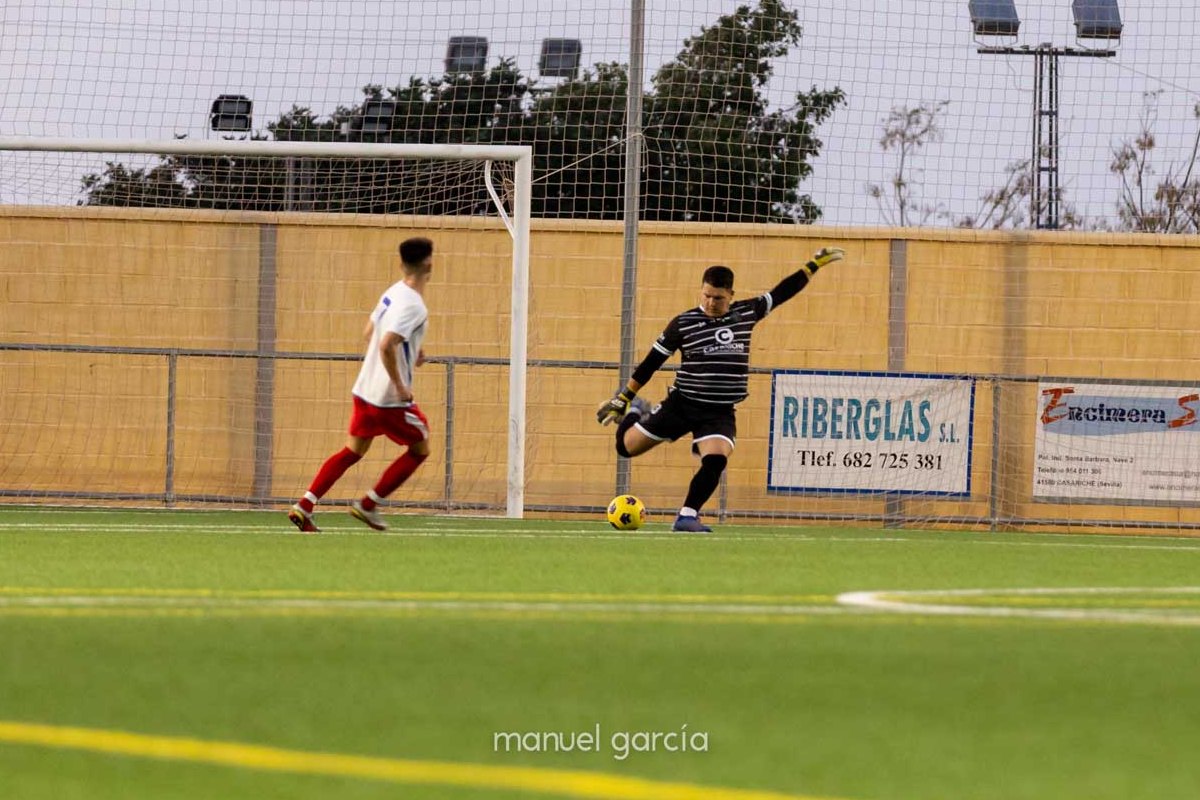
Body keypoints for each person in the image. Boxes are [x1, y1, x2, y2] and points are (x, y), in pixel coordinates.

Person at [596, 246, 846, 533]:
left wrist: (813, 266)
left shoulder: (746, 312)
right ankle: (637, 410)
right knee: (625, 449)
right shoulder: (683, 323)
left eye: (718, 297)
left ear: (731, 295)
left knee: (716, 459)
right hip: (681, 404)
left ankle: (687, 516)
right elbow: (652, 362)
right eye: (706, 295)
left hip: (718, 411)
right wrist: (624, 398)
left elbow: (782, 293)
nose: (711, 302)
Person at [288, 237, 435, 533]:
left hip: (364, 390)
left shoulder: (393, 292)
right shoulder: (415, 306)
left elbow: (369, 331)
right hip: (388, 398)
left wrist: (412, 349)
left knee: (352, 451)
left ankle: (305, 504)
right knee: (421, 448)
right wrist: (400, 385)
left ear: (401, 264)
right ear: (429, 264)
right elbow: (384, 344)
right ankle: (369, 504)